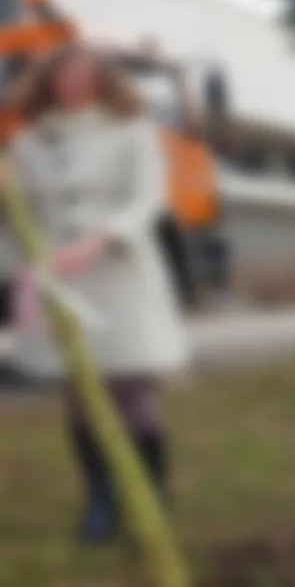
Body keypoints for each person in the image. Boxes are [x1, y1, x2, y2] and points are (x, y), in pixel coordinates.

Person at [5, 44, 190, 544]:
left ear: (103, 81)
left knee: (130, 388)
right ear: (47, 82)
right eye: (64, 76)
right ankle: (102, 498)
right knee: (79, 393)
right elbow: (15, 216)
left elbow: (150, 198)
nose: (74, 85)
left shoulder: (132, 131)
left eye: (84, 76)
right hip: (58, 278)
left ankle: (151, 492)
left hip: (119, 274)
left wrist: (102, 238)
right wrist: (22, 265)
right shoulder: (25, 144)